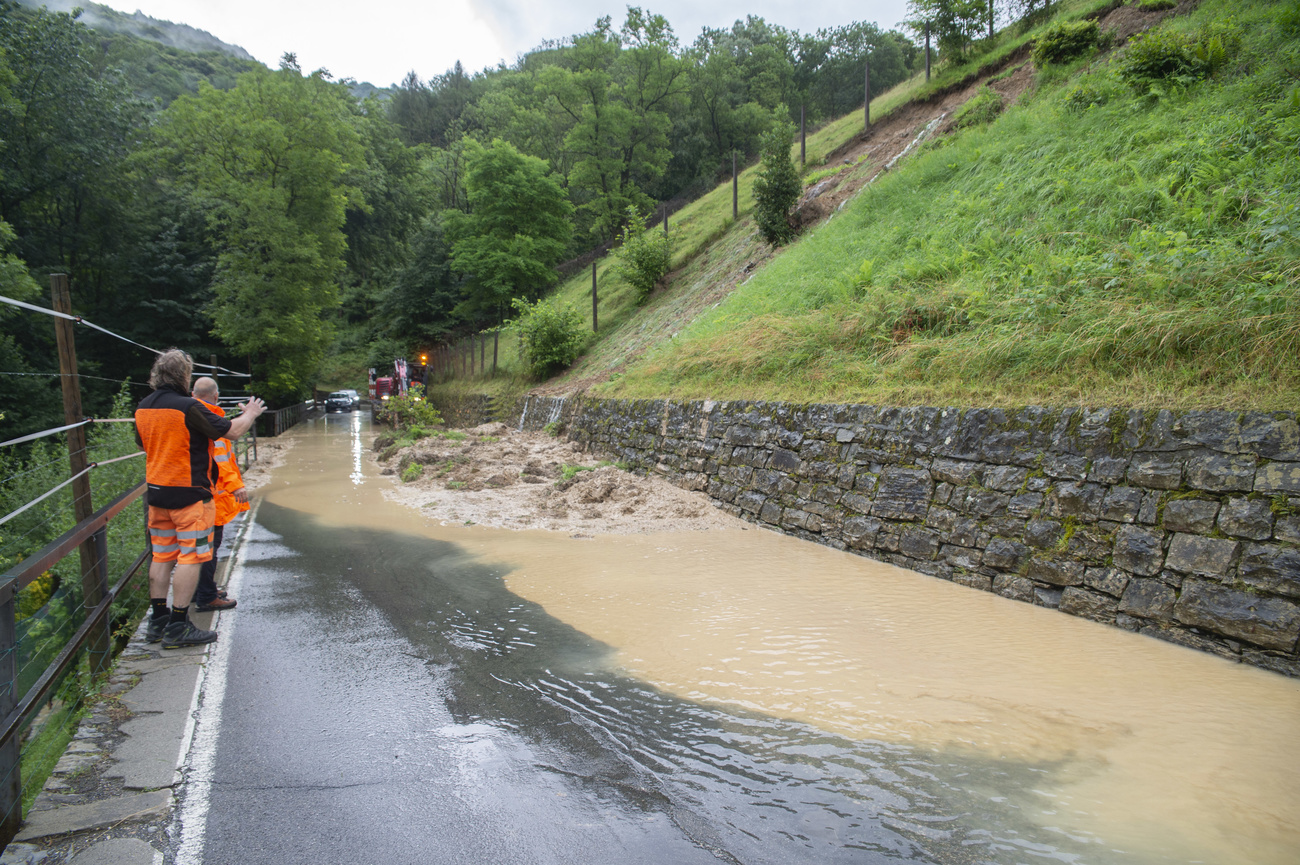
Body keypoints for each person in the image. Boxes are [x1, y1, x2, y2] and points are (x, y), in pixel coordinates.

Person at [135, 350, 264, 648]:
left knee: (162, 556)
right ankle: (179, 625)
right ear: (184, 376)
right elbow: (232, 431)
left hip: (156, 494)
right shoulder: (188, 407)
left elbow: (144, 444)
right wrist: (251, 413)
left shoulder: (143, 408)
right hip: (190, 495)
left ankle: (158, 620)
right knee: (192, 557)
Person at [190, 376, 249, 613]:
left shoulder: (192, 414)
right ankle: (206, 594)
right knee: (209, 547)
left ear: (194, 395)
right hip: (212, 497)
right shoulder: (209, 419)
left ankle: (202, 589)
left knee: (203, 546)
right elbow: (220, 460)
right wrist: (236, 486)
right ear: (216, 396)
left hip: (201, 494)